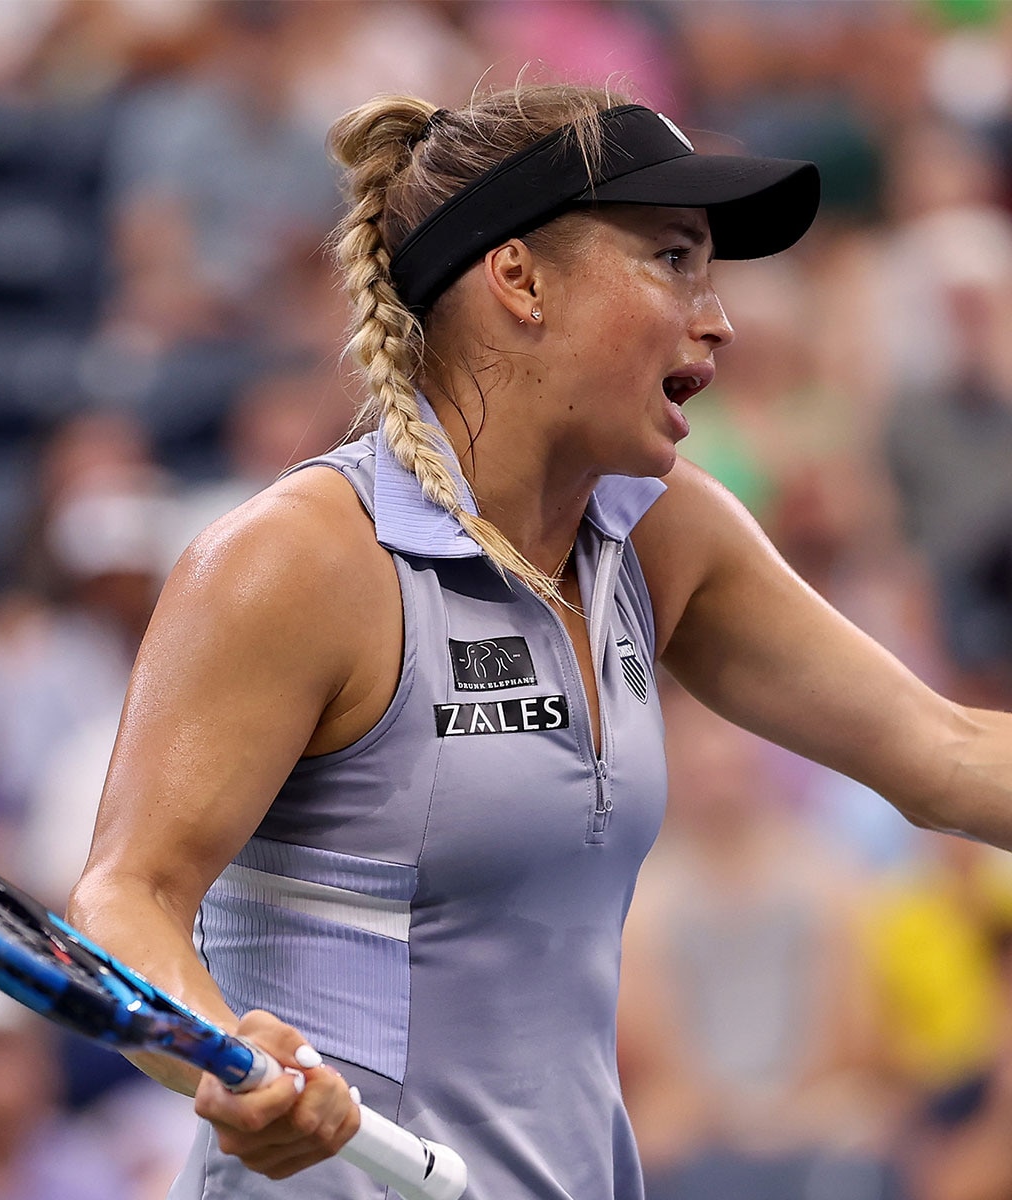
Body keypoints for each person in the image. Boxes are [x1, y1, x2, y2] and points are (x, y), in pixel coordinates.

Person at [66, 82, 1012, 1200]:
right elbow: (124, 900)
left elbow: (947, 754)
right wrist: (218, 1057)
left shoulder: (666, 535)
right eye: (672, 259)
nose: (719, 319)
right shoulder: (300, 562)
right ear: (520, 279)